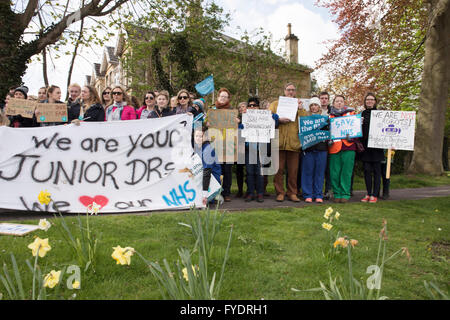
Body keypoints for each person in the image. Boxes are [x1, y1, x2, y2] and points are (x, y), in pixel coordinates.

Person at [269, 83, 307, 202]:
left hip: (294, 143)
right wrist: (278, 119)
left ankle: (292, 193)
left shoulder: (299, 105)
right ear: (284, 91)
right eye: (288, 90)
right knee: (278, 170)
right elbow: (267, 118)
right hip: (279, 143)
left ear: (295, 92)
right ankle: (280, 192)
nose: (290, 92)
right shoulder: (275, 104)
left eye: (293, 90)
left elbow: (305, 122)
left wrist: (300, 110)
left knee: (293, 171)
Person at [239, 97, 279, 202]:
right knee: (249, 172)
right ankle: (251, 193)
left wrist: (271, 115)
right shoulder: (245, 118)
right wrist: (240, 125)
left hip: (261, 149)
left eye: (254, 105)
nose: (252, 107)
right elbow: (240, 131)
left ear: (258, 107)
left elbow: (276, 121)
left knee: (260, 172)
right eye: (250, 105)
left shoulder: (264, 116)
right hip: (249, 149)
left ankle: (260, 193)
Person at [206, 88, 236, 202]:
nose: (223, 98)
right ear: (218, 97)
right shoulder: (211, 110)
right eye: (221, 96)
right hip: (215, 143)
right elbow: (204, 123)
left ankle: (226, 192)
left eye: (225, 97)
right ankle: (216, 192)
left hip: (228, 143)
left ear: (228, 99)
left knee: (227, 170)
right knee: (216, 169)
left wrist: (237, 121)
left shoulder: (232, 111)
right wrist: (206, 122)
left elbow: (236, 126)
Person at [328, 95, 357, 203]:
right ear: (333, 103)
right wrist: (328, 139)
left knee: (346, 172)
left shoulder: (352, 114)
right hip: (334, 147)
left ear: (344, 102)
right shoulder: (329, 116)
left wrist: (353, 136)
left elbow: (357, 130)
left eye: (341, 101)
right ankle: (337, 193)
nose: (339, 103)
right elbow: (326, 132)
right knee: (334, 172)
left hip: (348, 146)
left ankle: (345, 194)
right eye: (337, 101)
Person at [300, 97, 328, 203]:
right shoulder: (305, 120)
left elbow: (328, 133)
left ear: (319, 107)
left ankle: (318, 194)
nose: (313, 107)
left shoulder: (325, 119)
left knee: (319, 173)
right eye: (312, 105)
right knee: (307, 172)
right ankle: (308, 194)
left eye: (315, 105)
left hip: (321, 149)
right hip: (308, 149)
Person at [359, 93, 384, 203]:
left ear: (375, 101)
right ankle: (368, 193)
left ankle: (375, 194)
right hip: (366, 147)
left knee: (377, 172)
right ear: (365, 102)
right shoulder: (362, 114)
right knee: (367, 171)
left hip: (377, 147)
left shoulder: (381, 114)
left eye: (371, 99)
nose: (369, 101)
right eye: (367, 100)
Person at [193, 125, 222, 206]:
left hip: (212, 183)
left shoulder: (207, 150)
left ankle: (214, 197)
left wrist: (204, 195)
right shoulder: (199, 147)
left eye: (201, 136)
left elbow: (207, 173)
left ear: (205, 137)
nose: (198, 138)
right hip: (204, 178)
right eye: (196, 136)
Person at [235, 101, 248, 198]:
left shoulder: (253, 118)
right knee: (239, 170)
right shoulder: (237, 119)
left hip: (249, 147)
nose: (241, 108)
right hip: (239, 146)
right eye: (239, 107)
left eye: (243, 106)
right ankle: (240, 191)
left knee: (249, 170)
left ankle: (249, 190)